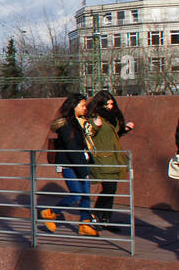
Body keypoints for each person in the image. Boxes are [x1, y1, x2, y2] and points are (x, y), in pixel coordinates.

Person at [42, 94, 97, 237]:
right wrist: (82, 170)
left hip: (81, 163)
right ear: (74, 106)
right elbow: (72, 149)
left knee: (86, 195)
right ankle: (51, 212)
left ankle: (84, 224)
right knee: (76, 194)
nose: (85, 108)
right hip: (70, 165)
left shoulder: (80, 122)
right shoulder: (66, 126)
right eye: (83, 105)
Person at [85, 93, 127, 233]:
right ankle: (96, 215)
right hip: (103, 159)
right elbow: (89, 133)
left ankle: (105, 219)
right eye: (107, 104)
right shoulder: (95, 118)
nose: (110, 107)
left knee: (111, 189)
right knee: (109, 188)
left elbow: (112, 136)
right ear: (99, 104)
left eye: (111, 104)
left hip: (113, 158)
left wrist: (125, 130)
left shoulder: (111, 119)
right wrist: (95, 126)